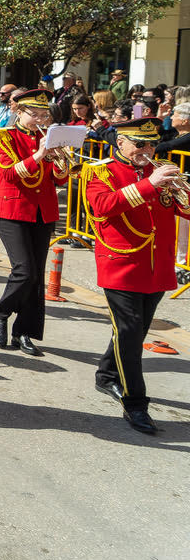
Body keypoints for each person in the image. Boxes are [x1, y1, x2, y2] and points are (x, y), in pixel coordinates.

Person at [83, 117, 190, 434]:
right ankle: (135, 404)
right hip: (121, 264)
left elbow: (182, 210)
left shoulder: (159, 170)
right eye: (140, 144)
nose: (148, 149)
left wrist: (180, 189)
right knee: (130, 332)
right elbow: (103, 206)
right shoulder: (100, 172)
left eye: (152, 143)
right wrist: (149, 184)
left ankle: (106, 375)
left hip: (156, 265)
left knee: (135, 330)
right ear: (121, 143)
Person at [0, 89, 71, 355]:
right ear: (18, 112)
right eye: (33, 114)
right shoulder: (3, 135)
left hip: (42, 211)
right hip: (12, 209)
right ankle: (3, 313)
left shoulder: (47, 138)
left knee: (37, 276)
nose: (38, 119)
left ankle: (24, 332)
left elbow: (59, 180)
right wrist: (39, 154)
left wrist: (62, 160)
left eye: (43, 114)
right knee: (25, 270)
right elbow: (10, 174)